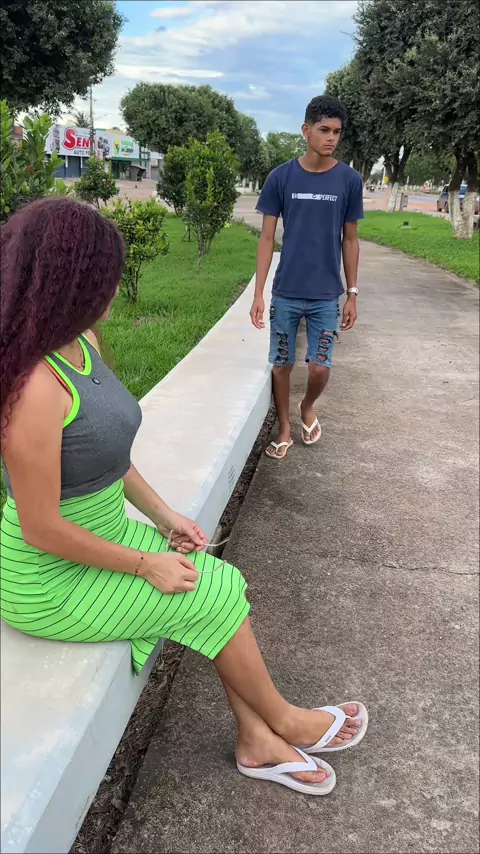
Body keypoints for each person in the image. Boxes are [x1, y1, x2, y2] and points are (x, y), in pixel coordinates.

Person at [0, 198, 367, 794]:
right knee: (212, 595)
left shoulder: (81, 343)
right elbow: (41, 526)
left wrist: (165, 515)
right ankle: (282, 722)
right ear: (69, 282)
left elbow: (106, 454)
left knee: (220, 581)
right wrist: (145, 563)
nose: (114, 289)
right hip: (47, 578)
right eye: (105, 277)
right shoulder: (35, 385)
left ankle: (257, 741)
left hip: (102, 532)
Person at [250, 95, 364, 459]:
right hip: (286, 292)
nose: (331, 138)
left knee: (318, 368)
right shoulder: (281, 177)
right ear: (306, 130)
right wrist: (258, 293)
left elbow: (350, 239)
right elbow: (267, 238)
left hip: (326, 295)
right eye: (324, 130)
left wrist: (352, 293)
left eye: (337, 132)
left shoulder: (349, 180)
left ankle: (307, 407)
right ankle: (284, 427)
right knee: (282, 365)